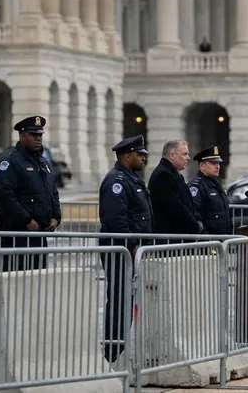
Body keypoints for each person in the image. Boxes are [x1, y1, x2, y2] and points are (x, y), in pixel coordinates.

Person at [98, 134, 153, 362]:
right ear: (126, 156)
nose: (143, 159)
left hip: (132, 251)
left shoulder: (132, 178)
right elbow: (116, 220)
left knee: (127, 302)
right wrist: (131, 246)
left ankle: (119, 351)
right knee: (119, 301)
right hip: (120, 250)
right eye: (140, 155)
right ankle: (112, 352)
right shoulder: (116, 181)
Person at [0, 116, 62, 271]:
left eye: (40, 135)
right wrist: (27, 220)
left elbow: (53, 192)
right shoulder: (9, 161)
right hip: (16, 234)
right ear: (22, 136)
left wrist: (56, 217)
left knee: (37, 281)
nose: (38, 139)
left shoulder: (43, 162)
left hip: (39, 233)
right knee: (16, 282)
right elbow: (4, 196)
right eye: (33, 135)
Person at [148, 139, 201, 235]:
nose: (188, 158)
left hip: (178, 236)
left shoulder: (173, 174)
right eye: (184, 154)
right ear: (172, 155)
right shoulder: (163, 175)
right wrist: (197, 227)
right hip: (170, 238)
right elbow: (176, 208)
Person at [188, 146, 232, 235]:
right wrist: (205, 237)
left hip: (222, 239)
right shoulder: (196, 186)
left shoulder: (216, 184)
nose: (217, 166)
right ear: (202, 166)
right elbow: (195, 216)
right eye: (213, 163)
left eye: (218, 163)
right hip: (208, 242)